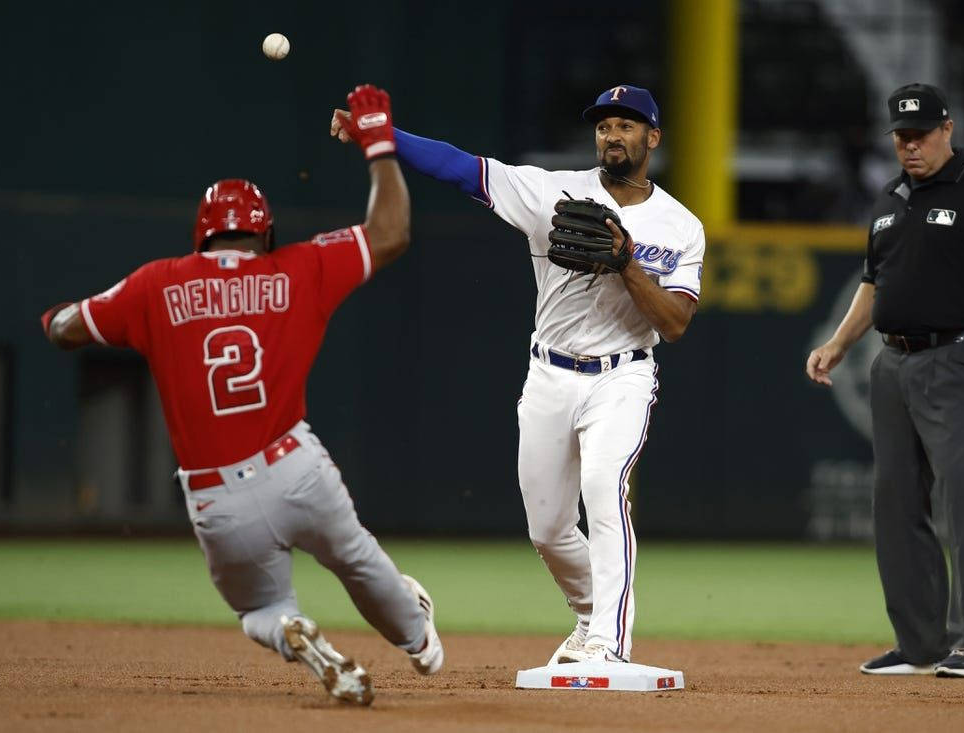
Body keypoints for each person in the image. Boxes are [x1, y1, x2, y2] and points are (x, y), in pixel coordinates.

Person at [40, 85, 443, 704]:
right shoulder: (298, 267)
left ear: (201, 235)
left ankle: (289, 629)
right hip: (296, 467)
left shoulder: (156, 285)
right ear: (266, 233)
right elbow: (389, 233)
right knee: (356, 557)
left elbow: (68, 329)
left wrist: (59, 318)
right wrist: (378, 142)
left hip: (215, 497)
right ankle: (418, 641)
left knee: (260, 607)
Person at [333, 85, 704, 665]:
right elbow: (462, 169)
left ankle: (609, 644)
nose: (613, 134)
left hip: (622, 377)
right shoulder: (552, 191)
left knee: (605, 489)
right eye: (604, 125)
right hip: (550, 373)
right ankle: (590, 616)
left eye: (626, 126)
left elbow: (676, 324)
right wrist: (380, 136)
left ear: (652, 138)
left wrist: (627, 262)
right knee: (548, 530)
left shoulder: (680, 226)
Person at [806, 83, 964, 679]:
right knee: (894, 504)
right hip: (894, 364)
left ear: (947, 127)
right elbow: (874, 282)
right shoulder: (890, 199)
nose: (910, 146)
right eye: (901, 137)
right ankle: (920, 644)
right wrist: (840, 343)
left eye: (920, 134)